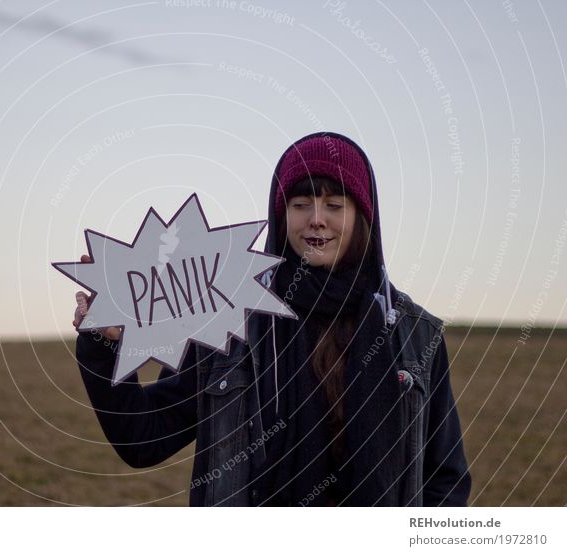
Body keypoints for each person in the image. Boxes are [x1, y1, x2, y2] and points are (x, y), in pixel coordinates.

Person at [72, 131, 471, 506]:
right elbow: (145, 439)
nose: (316, 218)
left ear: (362, 218)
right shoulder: (228, 319)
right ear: (281, 217)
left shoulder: (415, 334)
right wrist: (103, 344)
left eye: (335, 205)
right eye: (300, 205)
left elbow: (445, 478)